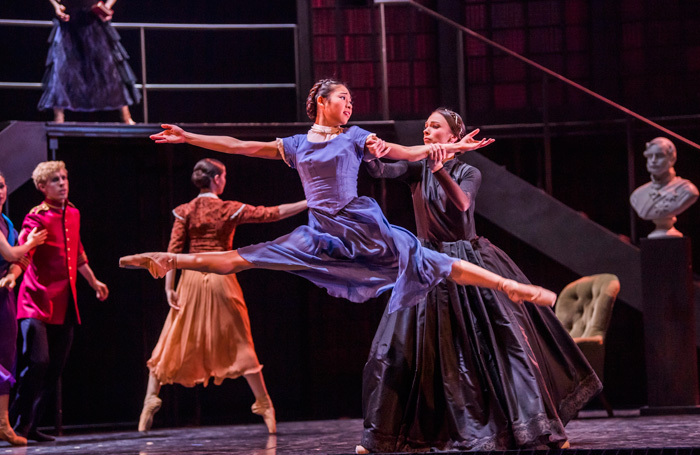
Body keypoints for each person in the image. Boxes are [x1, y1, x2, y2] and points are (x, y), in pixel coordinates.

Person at [120, 78, 555, 341]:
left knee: (429, 261)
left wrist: (450, 146)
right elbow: (239, 146)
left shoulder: (356, 136)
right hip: (319, 232)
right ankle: (168, 258)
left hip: (358, 224)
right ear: (321, 102)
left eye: (351, 100)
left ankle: (510, 287)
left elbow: (403, 151)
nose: (349, 104)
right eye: (342, 98)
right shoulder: (294, 145)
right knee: (245, 259)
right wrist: (190, 137)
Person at [357, 108, 602, 453]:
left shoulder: (468, 171)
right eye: (426, 126)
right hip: (427, 263)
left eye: (435, 126)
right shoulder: (416, 168)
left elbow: (461, 204)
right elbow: (381, 167)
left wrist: (441, 169)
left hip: (470, 261)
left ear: (453, 136)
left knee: (504, 345)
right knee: (396, 349)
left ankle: (536, 428)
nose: (427, 130)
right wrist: (370, 148)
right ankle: (383, 437)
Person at [138, 158, 307, 434]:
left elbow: (171, 253)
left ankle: (150, 399)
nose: (225, 180)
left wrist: (169, 287)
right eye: (224, 176)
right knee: (240, 339)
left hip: (190, 279)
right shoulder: (227, 209)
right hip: (221, 277)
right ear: (216, 179)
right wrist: (308, 202)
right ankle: (265, 405)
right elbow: (271, 213)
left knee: (173, 337)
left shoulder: (185, 210)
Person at [7, 161, 109, 442]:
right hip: (35, 301)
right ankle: (16, 424)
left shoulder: (73, 213)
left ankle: (31, 425)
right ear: (42, 187)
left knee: (54, 370)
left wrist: (94, 281)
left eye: (64, 177)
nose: (63, 183)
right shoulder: (36, 217)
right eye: (55, 180)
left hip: (64, 303)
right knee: (38, 361)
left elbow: (78, 253)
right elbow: (24, 254)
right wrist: (14, 276)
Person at [0, 172, 47, 447]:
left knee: (6, 358)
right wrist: (31, 244)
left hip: (4, 295)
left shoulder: (5, 221)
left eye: (3, 185)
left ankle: (3, 424)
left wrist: (13, 276)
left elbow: (18, 262)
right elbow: (10, 253)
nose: (0, 191)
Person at [38, 0, 141, 124]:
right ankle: (58, 119)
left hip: (93, 18)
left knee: (108, 67)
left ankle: (126, 117)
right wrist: (56, 6)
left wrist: (106, 8)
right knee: (62, 68)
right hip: (69, 19)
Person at [629, 137, 698, 238]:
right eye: (649, 156)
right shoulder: (637, 195)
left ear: (672, 159)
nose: (653, 160)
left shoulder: (688, 190)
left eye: (659, 156)